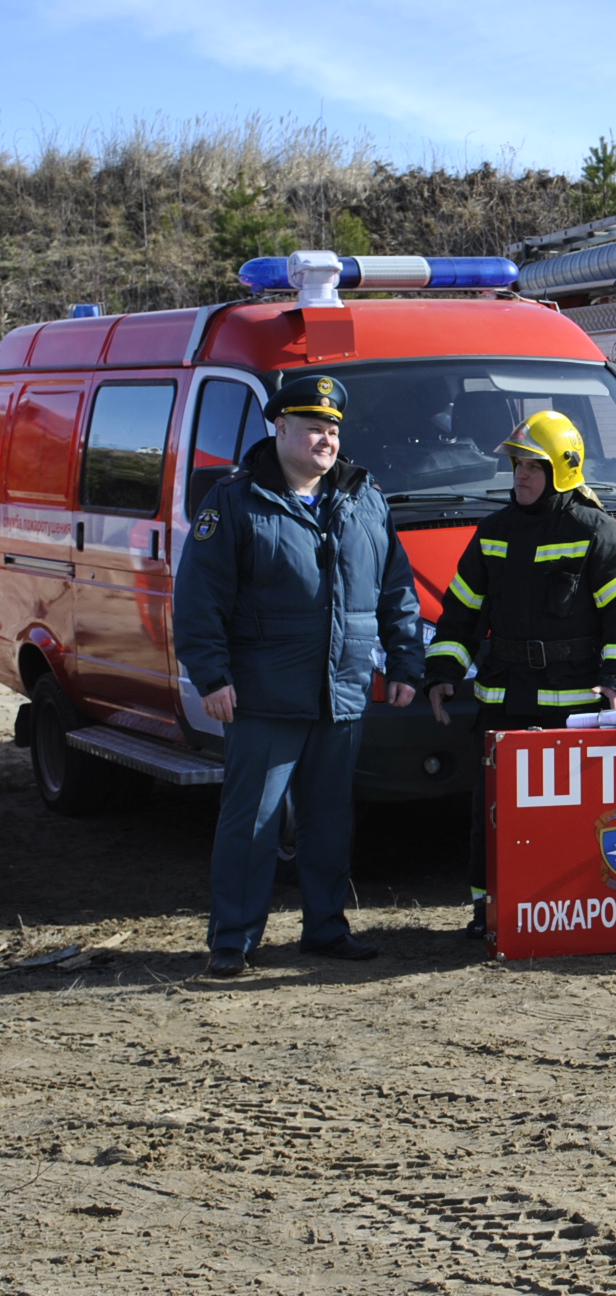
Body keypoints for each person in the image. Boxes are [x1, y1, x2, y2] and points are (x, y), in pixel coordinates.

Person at [174, 374, 423, 976]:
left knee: (330, 819)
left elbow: (396, 587)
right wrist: (211, 676)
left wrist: (405, 660)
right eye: (313, 426)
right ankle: (232, 940)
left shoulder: (365, 497)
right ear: (278, 428)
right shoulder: (235, 501)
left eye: (333, 428)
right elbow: (198, 597)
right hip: (263, 694)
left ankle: (326, 928)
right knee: (252, 824)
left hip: (341, 693)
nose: (326, 438)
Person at [424, 411, 616, 937]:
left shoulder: (594, 529)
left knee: (570, 818)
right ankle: (489, 914)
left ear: (563, 470)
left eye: (534, 465)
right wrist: (441, 671)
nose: (521, 476)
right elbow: (460, 611)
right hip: (504, 702)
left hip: (573, 710)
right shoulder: (494, 531)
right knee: (495, 817)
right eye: (517, 465)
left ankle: (567, 915)